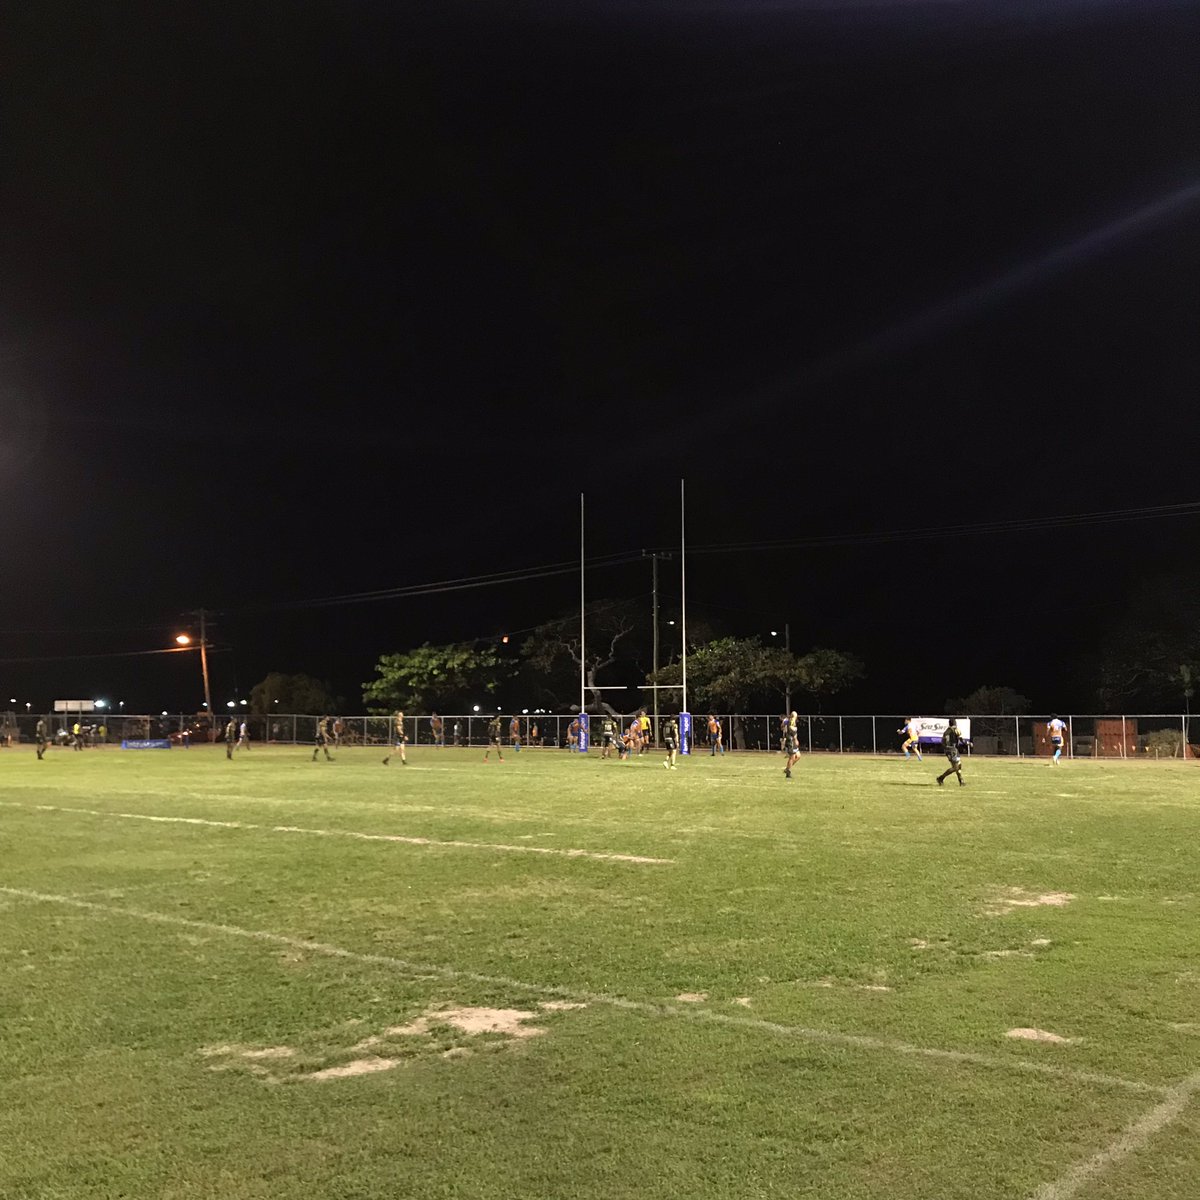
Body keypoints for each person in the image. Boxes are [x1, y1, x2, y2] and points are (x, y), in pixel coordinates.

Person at [935, 719, 967, 787]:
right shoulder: (955, 729)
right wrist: (968, 743)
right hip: (953, 750)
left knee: (958, 765)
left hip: (949, 750)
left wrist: (946, 750)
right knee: (955, 767)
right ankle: (941, 778)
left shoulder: (946, 731)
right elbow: (961, 739)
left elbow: (942, 742)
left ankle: (961, 781)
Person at [783, 711, 801, 779]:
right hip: (790, 741)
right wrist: (795, 739)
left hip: (793, 741)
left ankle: (787, 768)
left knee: (798, 756)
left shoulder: (792, 722)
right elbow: (792, 731)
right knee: (792, 757)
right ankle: (788, 772)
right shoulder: (789, 721)